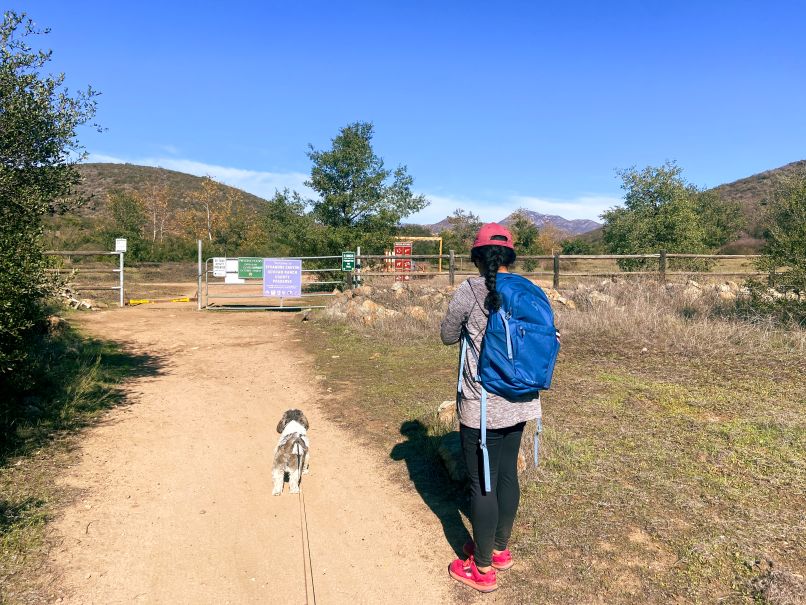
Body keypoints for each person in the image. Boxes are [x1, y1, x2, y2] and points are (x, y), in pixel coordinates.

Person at [440, 223, 541, 593]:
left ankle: (481, 570)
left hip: (482, 404)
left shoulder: (469, 291)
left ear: (477, 256)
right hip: (522, 399)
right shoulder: (527, 290)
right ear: (509, 256)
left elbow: (448, 335)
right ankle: (498, 550)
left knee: (482, 484)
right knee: (506, 477)